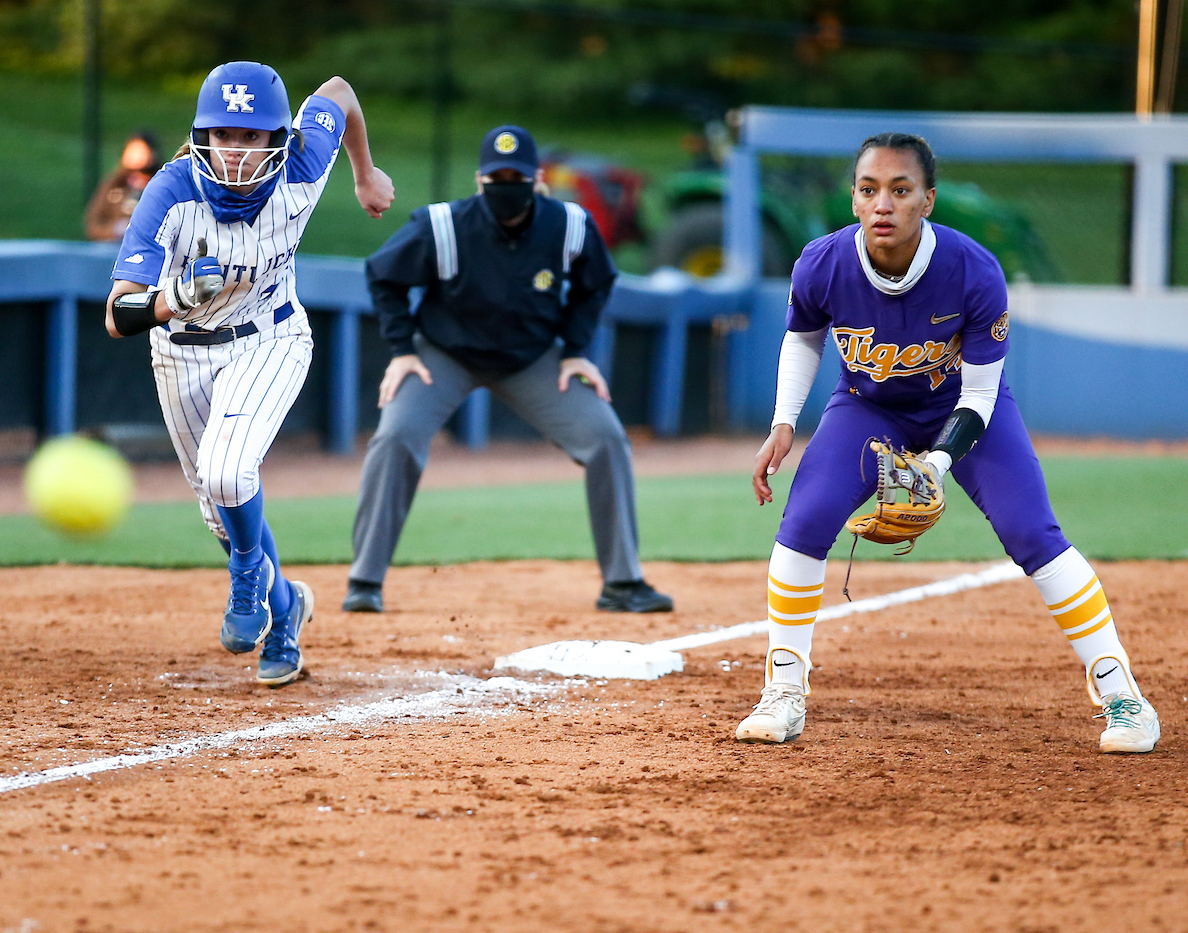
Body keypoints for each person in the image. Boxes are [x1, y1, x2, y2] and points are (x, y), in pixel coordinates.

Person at [734, 132, 1160, 754]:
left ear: (927, 200)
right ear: (853, 200)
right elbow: (804, 338)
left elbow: (981, 396)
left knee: (1032, 532)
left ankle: (1123, 695)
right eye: (869, 189)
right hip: (867, 407)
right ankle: (783, 691)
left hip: (960, 409)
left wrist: (935, 463)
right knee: (803, 524)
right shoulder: (822, 263)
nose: (883, 204)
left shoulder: (973, 270)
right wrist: (781, 422)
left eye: (900, 190)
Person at [104, 61, 395, 686]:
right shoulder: (170, 190)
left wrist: (364, 174)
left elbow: (340, 92)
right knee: (221, 505)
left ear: (279, 140)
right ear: (203, 136)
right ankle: (286, 609)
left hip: (272, 338)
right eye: (223, 136)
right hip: (181, 350)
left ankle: (246, 585)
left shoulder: (304, 166)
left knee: (228, 471)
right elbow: (118, 313)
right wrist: (174, 298)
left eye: (251, 136)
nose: (235, 152)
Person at [344, 125, 672, 615]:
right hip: (444, 353)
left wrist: (576, 349)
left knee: (605, 437)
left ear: (538, 180)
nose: (506, 185)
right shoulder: (442, 225)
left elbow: (596, 281)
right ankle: (364, 580)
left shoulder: (570, 225)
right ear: (479, 181)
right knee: (395, 437)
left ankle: (623, 583)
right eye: (496, 176)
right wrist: (401, 348)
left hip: (531, 358)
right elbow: (382, 274)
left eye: (516, 176)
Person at [84, 131, 164, 241]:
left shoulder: (160, 185)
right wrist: (115, 230)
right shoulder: (113, 185)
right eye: (133, 151)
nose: (137, 156)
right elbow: (93, 224)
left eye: (142, 151)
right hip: (111, 248)